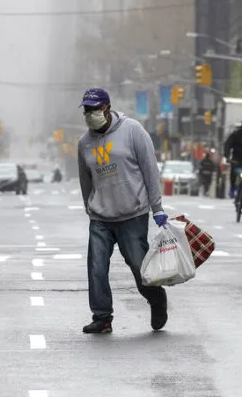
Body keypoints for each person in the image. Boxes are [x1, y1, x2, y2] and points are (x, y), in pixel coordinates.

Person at [77, 87, 169, 334]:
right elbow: (85, 180)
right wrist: (90, 207)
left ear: (107, 108)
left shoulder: (132, 131)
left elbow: (150, 170)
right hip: (100, 218)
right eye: (86, 110)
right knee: (96, 268)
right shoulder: (84, 143)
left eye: (94, 109)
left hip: (133, 214)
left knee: (140, 267)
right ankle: (102, 317)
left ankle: (156, 299)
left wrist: (157, 207)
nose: (89, 114)